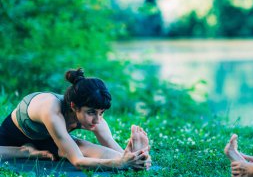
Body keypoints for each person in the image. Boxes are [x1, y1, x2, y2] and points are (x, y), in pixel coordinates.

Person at [0, 68, 151, 170]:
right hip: (12, 135)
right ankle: (24, 151)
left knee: (82, 145)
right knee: (74, 150)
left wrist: (133, 159)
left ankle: (31, 149)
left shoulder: (94, 116)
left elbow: (112, 146)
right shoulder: (51, 110)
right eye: (91, 113)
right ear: (73, 106)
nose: (97, 120)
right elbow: (77, 161)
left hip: (48, 138)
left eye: (102, 113)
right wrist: (118, 164)